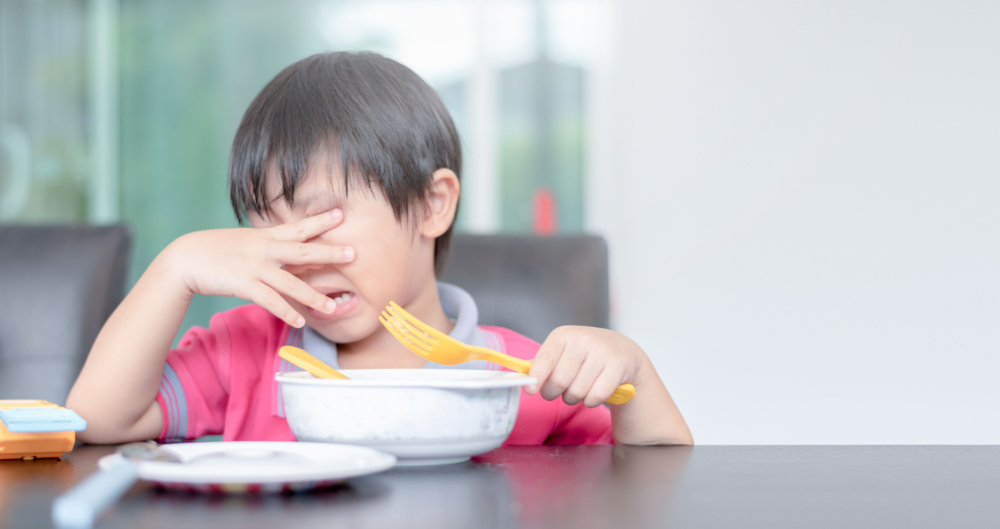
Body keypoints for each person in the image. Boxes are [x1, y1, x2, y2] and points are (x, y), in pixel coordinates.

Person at [66, 52, 692, 447]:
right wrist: (174, 267)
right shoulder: (247, 353)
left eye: (322, 218)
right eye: (269, 228)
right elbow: (99, 421)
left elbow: (658, 472)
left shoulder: (520, 378)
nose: (297, 254)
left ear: (432, 204)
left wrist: (631, 366)